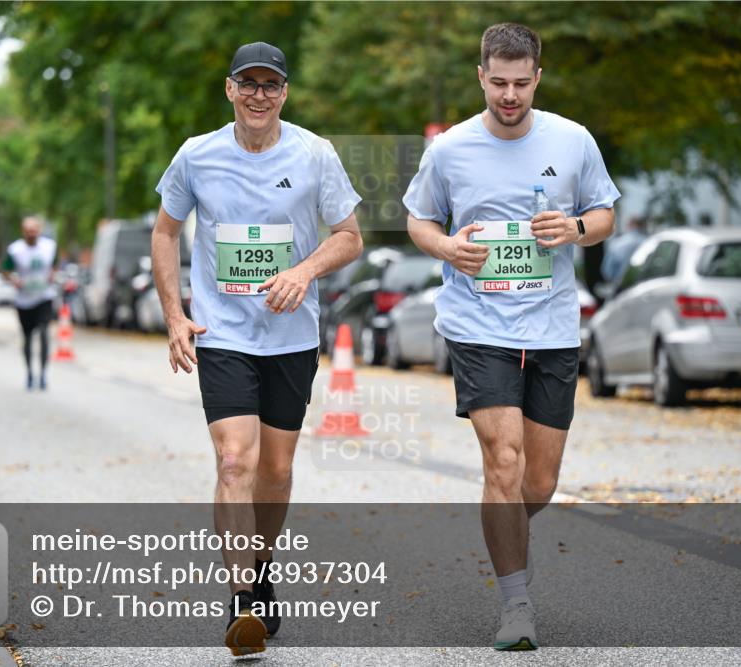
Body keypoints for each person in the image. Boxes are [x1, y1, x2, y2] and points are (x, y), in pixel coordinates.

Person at [404, 23, 620, 650]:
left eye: (521, 83)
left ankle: (499, 527)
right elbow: (419, 218)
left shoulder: (573, 140)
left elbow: (606, 214)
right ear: (481, 77)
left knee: (538, 483)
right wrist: (447, 246)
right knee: (503, 460)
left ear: (538, 78)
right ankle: (516, 606)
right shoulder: (450, 149)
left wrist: (575, 226)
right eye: (498, 82)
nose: (509, 95)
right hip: (478, 324)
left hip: (552, 325)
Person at [151, 41, 362, 656]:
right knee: (235, 462)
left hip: (291, 338)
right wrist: (175, 316)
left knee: (275, 469)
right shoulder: (197, 155)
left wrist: (304, 271)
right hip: (223, 334)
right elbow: (165, 233)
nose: (259, 95)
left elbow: (349, 236)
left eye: (271, 85)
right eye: (249, 84)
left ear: (284, 93)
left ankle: (262, 564)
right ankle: (243, 602)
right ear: (230, 89)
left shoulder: (315, 154)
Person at [2, 217, 57, 391]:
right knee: (27, 337)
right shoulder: (15, 250)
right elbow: (5, 270)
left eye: (34, 230)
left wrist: (52, 275)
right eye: (28, 230)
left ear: (39, 230)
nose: (31, 233)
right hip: (24, 300)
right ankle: (29, 373)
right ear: (23, 231)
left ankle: (43, 374)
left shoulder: (50, 247)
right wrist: (14, 281)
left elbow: (55, 265)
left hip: (44, 296)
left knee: (43, 332)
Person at [600, 216, 648, 283]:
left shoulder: (617, 243)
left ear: (629, 225)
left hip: (620, 286)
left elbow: (606, 271)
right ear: (642, 226)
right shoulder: (648, 242)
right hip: (643, 285)